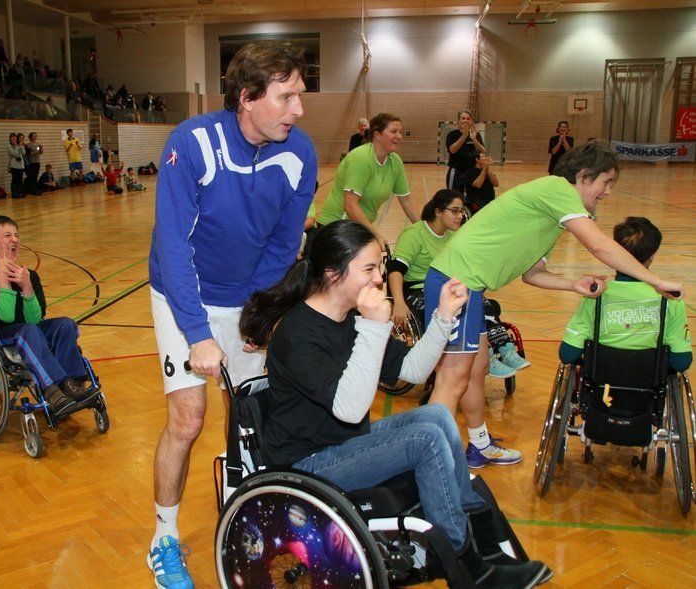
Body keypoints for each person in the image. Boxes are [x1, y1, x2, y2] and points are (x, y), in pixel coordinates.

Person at [239, 220, 550, 588]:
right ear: (333, 273)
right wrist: (373, 328)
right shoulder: (298, 333)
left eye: (381, 267)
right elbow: (349, 410)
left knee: (437, 416)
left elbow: (413, 370)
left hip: (342, 443)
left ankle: (480, 541)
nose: (379, 279)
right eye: (370, 269)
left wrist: (443, 316)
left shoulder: (350, 318)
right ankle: (468, 569)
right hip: (307, 463)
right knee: (425, 440)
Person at [147, 42, 317, 588]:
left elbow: (284, 244)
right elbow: (173, 244)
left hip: (247, 297)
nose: (298, 109)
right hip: (183, 295)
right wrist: (198, 333)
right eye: (286, 97)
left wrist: (257, 312)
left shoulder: (300, 153)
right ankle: (164, 537)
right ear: (247, 97)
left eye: (300, 95)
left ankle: (248, 507)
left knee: (254, 413)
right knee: (188, 419)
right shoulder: (193, 142)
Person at [425, 141, 683, 469]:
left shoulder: (554, 215)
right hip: (454, 284)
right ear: (584, 176)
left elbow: (533, 274)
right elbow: (599, 245)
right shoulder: (557, 189)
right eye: (606, 182)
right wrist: (654, 280)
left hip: (469, 288)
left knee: (476, 372)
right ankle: (426, 464)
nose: (607, 192)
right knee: (452, 380)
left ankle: (478, 445)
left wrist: (572, 284)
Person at [387, 190, 527, 380]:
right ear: (438, 211)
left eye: (461, 211)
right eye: (454, 211)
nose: (460, 216)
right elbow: (395, 269)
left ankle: (504, 348)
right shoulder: (415, 234)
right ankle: (484, 355)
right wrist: (398, 302)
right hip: (417, 290)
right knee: (460, 310)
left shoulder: (453, 237)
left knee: (484, 305)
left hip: (450, 288)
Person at [0, 215, 98, 417]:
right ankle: (53, 392)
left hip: (28, 330)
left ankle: (72, 384)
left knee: (65, 324)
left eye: (17, 235)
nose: (15, 239)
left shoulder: (29, 274)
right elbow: (5, 317)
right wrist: (4, 282)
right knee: (28, 331)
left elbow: (35, 319)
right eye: (7, 235)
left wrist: (27, 287)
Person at [560, 216, 691, 372]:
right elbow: (681, 362)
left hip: (601, 375)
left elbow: (568, 354)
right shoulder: (670, 298)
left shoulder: (596, 294)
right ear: (652, 255)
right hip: (650, 377)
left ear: (614, 252)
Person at [316, 112, 419, 248]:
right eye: (394, 131)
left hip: (358, 228)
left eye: (400, 132)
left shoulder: (395, 161)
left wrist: (423, 230)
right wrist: (376, 235)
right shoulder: (361, 158)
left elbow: (406, 200)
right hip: (336, 228)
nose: (399, 136)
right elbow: (350, 205)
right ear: (377, 135)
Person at [445, 108, 485, 194]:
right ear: (458, 121)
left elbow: (482, 150)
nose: (465, 120)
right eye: (463, 118)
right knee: (453, 196)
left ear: (471, 121)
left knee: (470, 197)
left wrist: (474, 139)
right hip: (456, 172)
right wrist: (464, 136)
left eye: (468, 119)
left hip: (472, 171)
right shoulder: (452, 135)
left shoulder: (475, 134)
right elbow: (452, 150)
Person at [7, 133, 26, 198]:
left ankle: (19, 192)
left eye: (14, 137)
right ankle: (14, 194)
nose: (14, 138)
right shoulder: (9, 146)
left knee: (20, 180)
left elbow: (23, 153)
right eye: (12, 137)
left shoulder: (19, 145)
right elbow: (15, 154)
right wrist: (16, 146)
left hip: (21, 165)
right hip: (14, 166)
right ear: (10, 139)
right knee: (14, 180)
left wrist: (20, 146)